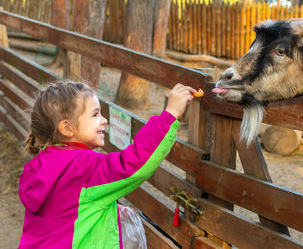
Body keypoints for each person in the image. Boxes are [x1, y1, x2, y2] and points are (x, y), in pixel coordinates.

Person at [18, 81, 196, 249]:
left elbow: (67, 208)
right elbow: (133, 163)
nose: (104, 120)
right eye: (95, 114)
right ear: (67, 128)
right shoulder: (84, 168)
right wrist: (170, 115)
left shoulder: (40, 166)